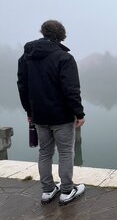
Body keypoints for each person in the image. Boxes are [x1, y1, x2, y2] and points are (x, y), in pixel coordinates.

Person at [17, 20, 86, 206]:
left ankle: (47, 191)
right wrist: (79, 113)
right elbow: (71, 89)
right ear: (62, 35)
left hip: (39, 114)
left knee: (44, 152)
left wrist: (29, 111)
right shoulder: (64, 58)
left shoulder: (26, 57)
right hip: (62, 116)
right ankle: (66, 190)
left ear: (43, 32)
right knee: (65, 152)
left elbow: (22, 87)